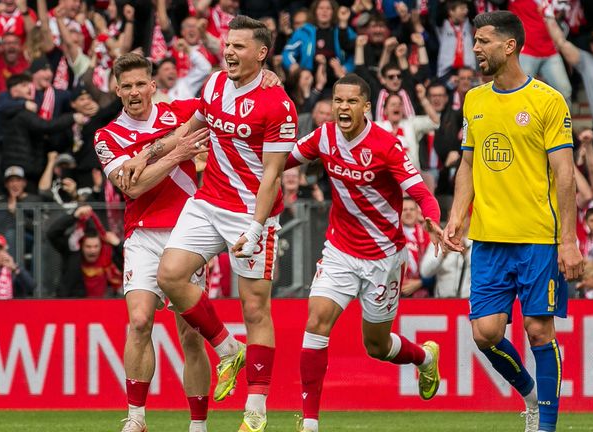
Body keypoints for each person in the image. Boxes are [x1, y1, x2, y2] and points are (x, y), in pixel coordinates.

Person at [116, 16, 295, 432]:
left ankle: (255, 407)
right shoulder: (214, 84)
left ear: (262, 54)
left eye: (239, 46)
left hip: (251, 212)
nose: (229, 51)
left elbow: (273, 175)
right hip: (208, 202)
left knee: (254, 307)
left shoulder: (278, 103)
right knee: (171, 275)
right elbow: (190, 127)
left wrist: (255, 227)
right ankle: (228, 348)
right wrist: (147, 154)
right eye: (228, 44)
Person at [441, 11, 583, 432]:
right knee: (485, 333)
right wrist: (456, 217)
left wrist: (569, 240)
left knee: (539, 332)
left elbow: (566, 175)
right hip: (488, 238)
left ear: (510, 45)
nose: (476, 48)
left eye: (483, 41)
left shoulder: (547, 100)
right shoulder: (474, 99)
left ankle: (548, 426)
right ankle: (530, 396)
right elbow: (467, 165)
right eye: (475, 40)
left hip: (538, 237)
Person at [287, 73, 442, 432]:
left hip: (383, 258)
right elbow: (282, 159)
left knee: (375, 345)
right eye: (338, 101)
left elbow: (421, 193)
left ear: (366, 106)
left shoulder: (386, 145)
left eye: (351, 101)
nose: (343, 107)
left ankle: (423, 357)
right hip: (340, 248)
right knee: (316, 322)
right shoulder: (323, 136)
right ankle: (310, 423)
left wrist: (432, 220)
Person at [93, 52, 213, 432]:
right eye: (125, 86)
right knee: (140, 321)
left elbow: (224, 94)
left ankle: (197, 425)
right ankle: (137, 418)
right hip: (142, 232)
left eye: (139, 84)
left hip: (187, 231)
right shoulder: (106, 136)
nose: (133, 91)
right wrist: (177, 151)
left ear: (152, 86)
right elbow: (133, 185)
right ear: (117, 90)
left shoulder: (180, 111)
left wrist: (266, 78)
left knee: (190, 336)